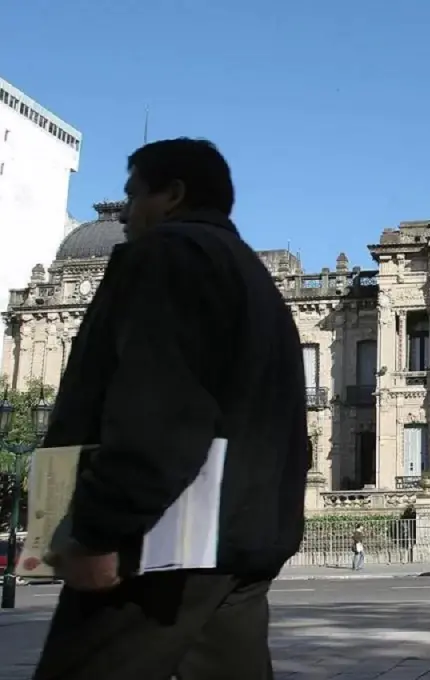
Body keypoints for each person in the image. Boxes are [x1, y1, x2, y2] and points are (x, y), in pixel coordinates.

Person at [33, 138, 309, 680]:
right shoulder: (256, 283)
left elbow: (160, 407)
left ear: (173, 195)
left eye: (134, 196)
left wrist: (99, 527)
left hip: (165, 544)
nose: (128, 213)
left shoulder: (168, 255)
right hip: (244, 547)